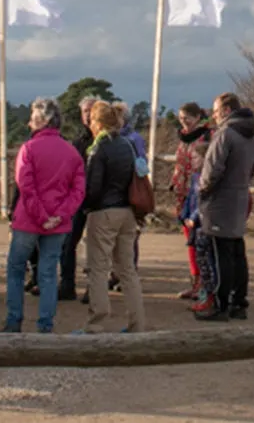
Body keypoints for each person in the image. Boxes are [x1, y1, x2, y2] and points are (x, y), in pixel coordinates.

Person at [2, 97, 84, 333]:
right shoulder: (71, 152)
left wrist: (41, 215)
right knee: (48, 273)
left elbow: (25, 187)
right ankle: (45, 324)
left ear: (42, 120)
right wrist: (60, 215)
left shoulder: (28, 149)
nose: (29, 123)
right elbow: (78, 190)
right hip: (57, 223)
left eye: (32, 118)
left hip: (28, 220)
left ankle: (14, 320)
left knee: (16, 269)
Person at [78, 101, 147, 334]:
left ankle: (96, 323)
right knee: (127, 270)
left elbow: (94, 188)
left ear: (97, 123)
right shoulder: (127, 145)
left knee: (98, 269)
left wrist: (85, 206)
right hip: (127, 211)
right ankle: (137, 322)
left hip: (104, 212)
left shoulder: (99, 149)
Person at [195, 92, 254, 321]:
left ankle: (220, 305)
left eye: (216, 110)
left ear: (227, 110)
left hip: (220, 201)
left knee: (220, 253)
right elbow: (252, 169)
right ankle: (238, 301)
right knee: (237, 252)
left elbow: (212, 170)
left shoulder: (225, 135)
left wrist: (202, 191)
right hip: (239, 197)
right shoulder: (250, 136)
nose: (213, 115)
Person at [170, 102, 218, 309]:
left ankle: (204, 284)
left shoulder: (207, 136)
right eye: (181, 118)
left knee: (200, 242)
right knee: (189, 242)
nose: (184, 122)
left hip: (198, 194)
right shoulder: (183, 139)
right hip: (183, 195)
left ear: (198, 117)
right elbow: (180, 163)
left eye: (187, 118)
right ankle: (195, 281)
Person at [58, 94, 100, 301]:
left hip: (99, 202)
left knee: (96, 248)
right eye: (85, 111)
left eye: (92, 111)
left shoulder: (105, 140)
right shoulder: (77, 142)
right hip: (77, 201)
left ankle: (93, 288)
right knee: (67, 244)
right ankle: (67, 285)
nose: (88, 116)